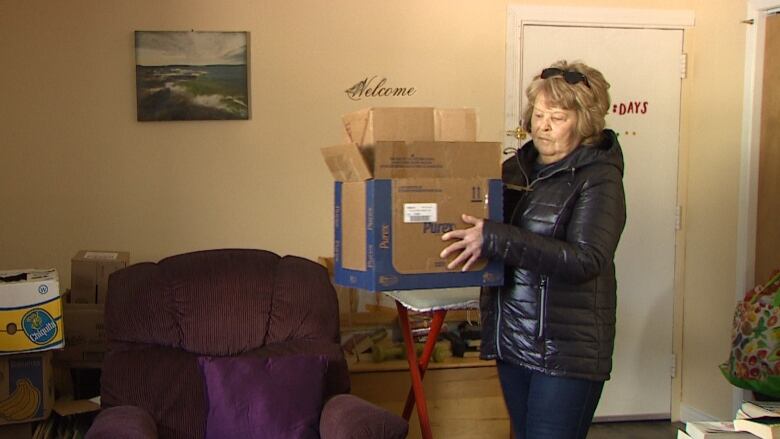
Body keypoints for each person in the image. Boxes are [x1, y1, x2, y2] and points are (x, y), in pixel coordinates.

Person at [440, 60, 626, 439]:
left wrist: (495, 238)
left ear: (585, 122)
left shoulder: (600, 179)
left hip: (566, 350)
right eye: (539, 114)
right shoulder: (515, 169)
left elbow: (586, 259)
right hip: (514, 340)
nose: (542, 126)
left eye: (556, 117)